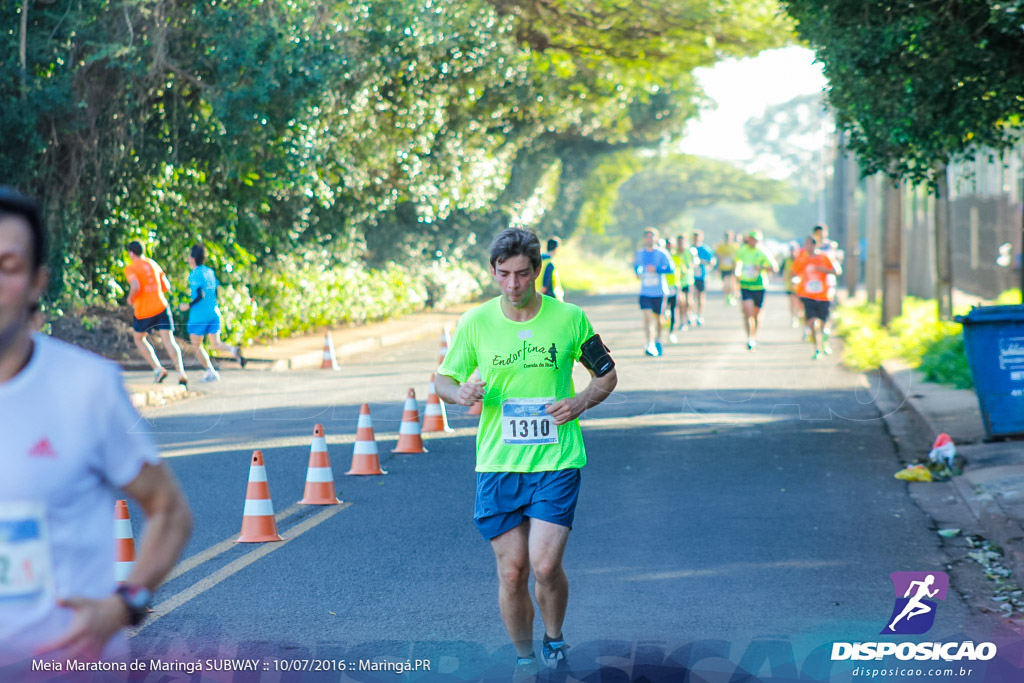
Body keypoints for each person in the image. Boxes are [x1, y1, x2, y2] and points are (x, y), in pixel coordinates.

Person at [0, 188, 193, 670]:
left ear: (37, 283)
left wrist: (125, 603)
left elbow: (169, 509)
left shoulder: (86, 387)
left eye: (8, 265)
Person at [434, 228, 617, 682]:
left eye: (521, 274)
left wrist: (580, 402)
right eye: (503, 275)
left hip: (556, 460)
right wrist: (460, 394)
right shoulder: (475, 322)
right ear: (493, 273)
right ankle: (523, 659)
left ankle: (554, 641)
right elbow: (442, 379)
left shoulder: (570, 318)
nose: (512, 285)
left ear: (538, 271)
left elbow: (607, 375)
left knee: (544, 565)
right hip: (498, 463)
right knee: (513, 571)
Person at [179, 243, 247, 382]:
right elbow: (215, 291)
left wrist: (188, 305)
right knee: (216, 343)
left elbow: (200, 294)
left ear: (193, 258)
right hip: (213, 312)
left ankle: (211, 371)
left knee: (196, 346)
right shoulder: (210, 272)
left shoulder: (195, 274)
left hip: (199, 316)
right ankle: (234, 350)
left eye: (189, 254)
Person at [124, 240, 188, 386]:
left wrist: (130, 298)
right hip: (161, 306)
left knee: (139, 338)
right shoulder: (152, 263)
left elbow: (135, 285)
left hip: (144, 311)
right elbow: (166, 285)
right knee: (169, 340)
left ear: (131, 253)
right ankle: (181, 373)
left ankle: (158, 369)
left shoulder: (131, 268)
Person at [794, 234, 842, 359]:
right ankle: (817, 349)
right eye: (807, 244)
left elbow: (837, 271)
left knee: (822, 325)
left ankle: (824, 341)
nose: (809, 246)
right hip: (807, 295)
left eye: (812, 243)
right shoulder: (802, 258)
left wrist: (823, 270)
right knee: (811, 323)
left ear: (816, 245)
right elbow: (794, 272)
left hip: (823, 296)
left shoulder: (824, 257)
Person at [735, 230, 778, 351]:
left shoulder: (763, 251)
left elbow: (774, 268)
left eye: (756, 240)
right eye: (752, 239)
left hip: (759, 286)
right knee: (747, 313)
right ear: (748, 239)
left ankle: (755, 336)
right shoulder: (742, 250)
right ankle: (749, 338)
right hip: (745, 285)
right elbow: (737, 263)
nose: (753, 241)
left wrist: (761, 267)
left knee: (756, 315)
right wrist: (737, 273)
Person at [634, 228, 673, 356]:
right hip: (645, 291)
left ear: (656, 239)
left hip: (659, 292)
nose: (650, 239)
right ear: (644, 239)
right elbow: (637, 266)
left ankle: (658, 340)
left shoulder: (662, 253)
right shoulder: (640, 253)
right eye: (647, 237)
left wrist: (656, 269)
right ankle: (649, 344)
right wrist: (638, 272)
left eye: (652, 237)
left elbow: (670, 269)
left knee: (659, 319)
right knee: (647, 318)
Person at [671, 234, 696, 340]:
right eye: (679, 242)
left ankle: (689, 314)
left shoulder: (688, 251)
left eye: (682, 242)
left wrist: (687, 267)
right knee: (681, 302)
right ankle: (683, 321)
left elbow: (693, 263)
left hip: (688, 280)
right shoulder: (674, 252)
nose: (681, 244)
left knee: (689, 301)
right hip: (678, 281)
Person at [690, 230, 716, 325]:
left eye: (698, 237)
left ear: (701, 238)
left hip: (702, 275)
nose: (696, 239)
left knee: (700, 296)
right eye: (695, 237)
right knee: (691, 296)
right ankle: (691, 313)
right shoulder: (690, 249)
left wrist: (704, 263)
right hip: (691, 276)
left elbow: (712, 261)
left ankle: (699, 315)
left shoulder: (705, 249)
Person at [779, 242, 803, 328]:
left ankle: (800, 316)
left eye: (794, 250)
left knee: (800, 303)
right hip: (790, 285)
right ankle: (794, 318)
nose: (793, 252)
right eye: (791, 250)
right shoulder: (787, 260)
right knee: (792, 302)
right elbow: (782, 271)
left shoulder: (801, 258)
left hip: (801, 285)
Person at [714, 230, 740, 306]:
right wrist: (721, 259)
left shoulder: (735, 246)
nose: (728, 238)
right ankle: (727, 296)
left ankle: (731, 296)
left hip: (732, 267)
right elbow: (717, 255)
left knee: (732, 283)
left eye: (729, 237)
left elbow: (738, 256)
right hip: (724, 267)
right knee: (726, 284)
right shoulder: (721, 246)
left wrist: (735, 262)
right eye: (726, 237)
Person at [538, 237, 565, 301]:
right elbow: (545, 286)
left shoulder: (539, 261)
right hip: (549, 299)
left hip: (540, 296)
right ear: (556, 249)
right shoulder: (549, 264)